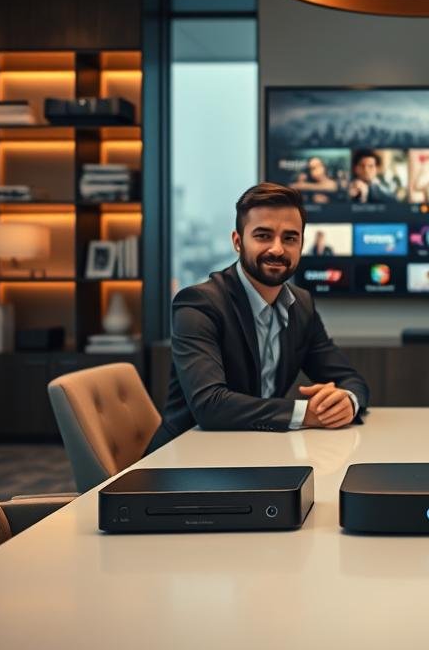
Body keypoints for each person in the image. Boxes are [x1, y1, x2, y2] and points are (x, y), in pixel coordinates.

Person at [146, 182, 369, 451]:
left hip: (258, 452)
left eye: (289, 238)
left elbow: (351, 379)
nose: (277, 249)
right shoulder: (198, 304)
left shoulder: (301, 305)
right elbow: (210, 405)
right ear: (238, 241)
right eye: (263, 236)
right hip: (184, 461)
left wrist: (346, 401)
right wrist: (307, 413)